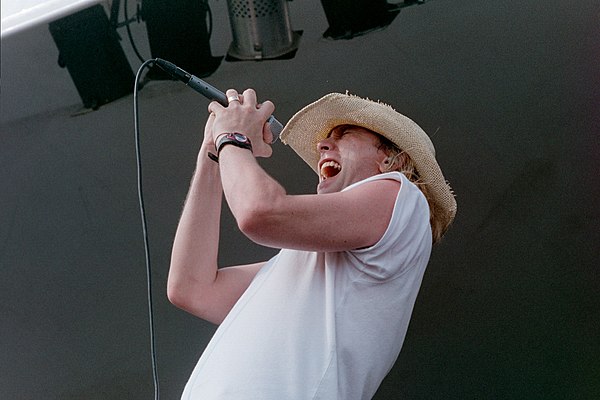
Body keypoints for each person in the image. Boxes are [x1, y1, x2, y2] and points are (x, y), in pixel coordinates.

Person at [167, 89, 456, 399]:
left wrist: (234, 139)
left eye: (344, 134)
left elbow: (259, 212)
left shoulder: (404, 199)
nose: (322, 145)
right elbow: (192, 288)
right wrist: (211, 154)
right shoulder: (304, 267)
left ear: (391, 159)